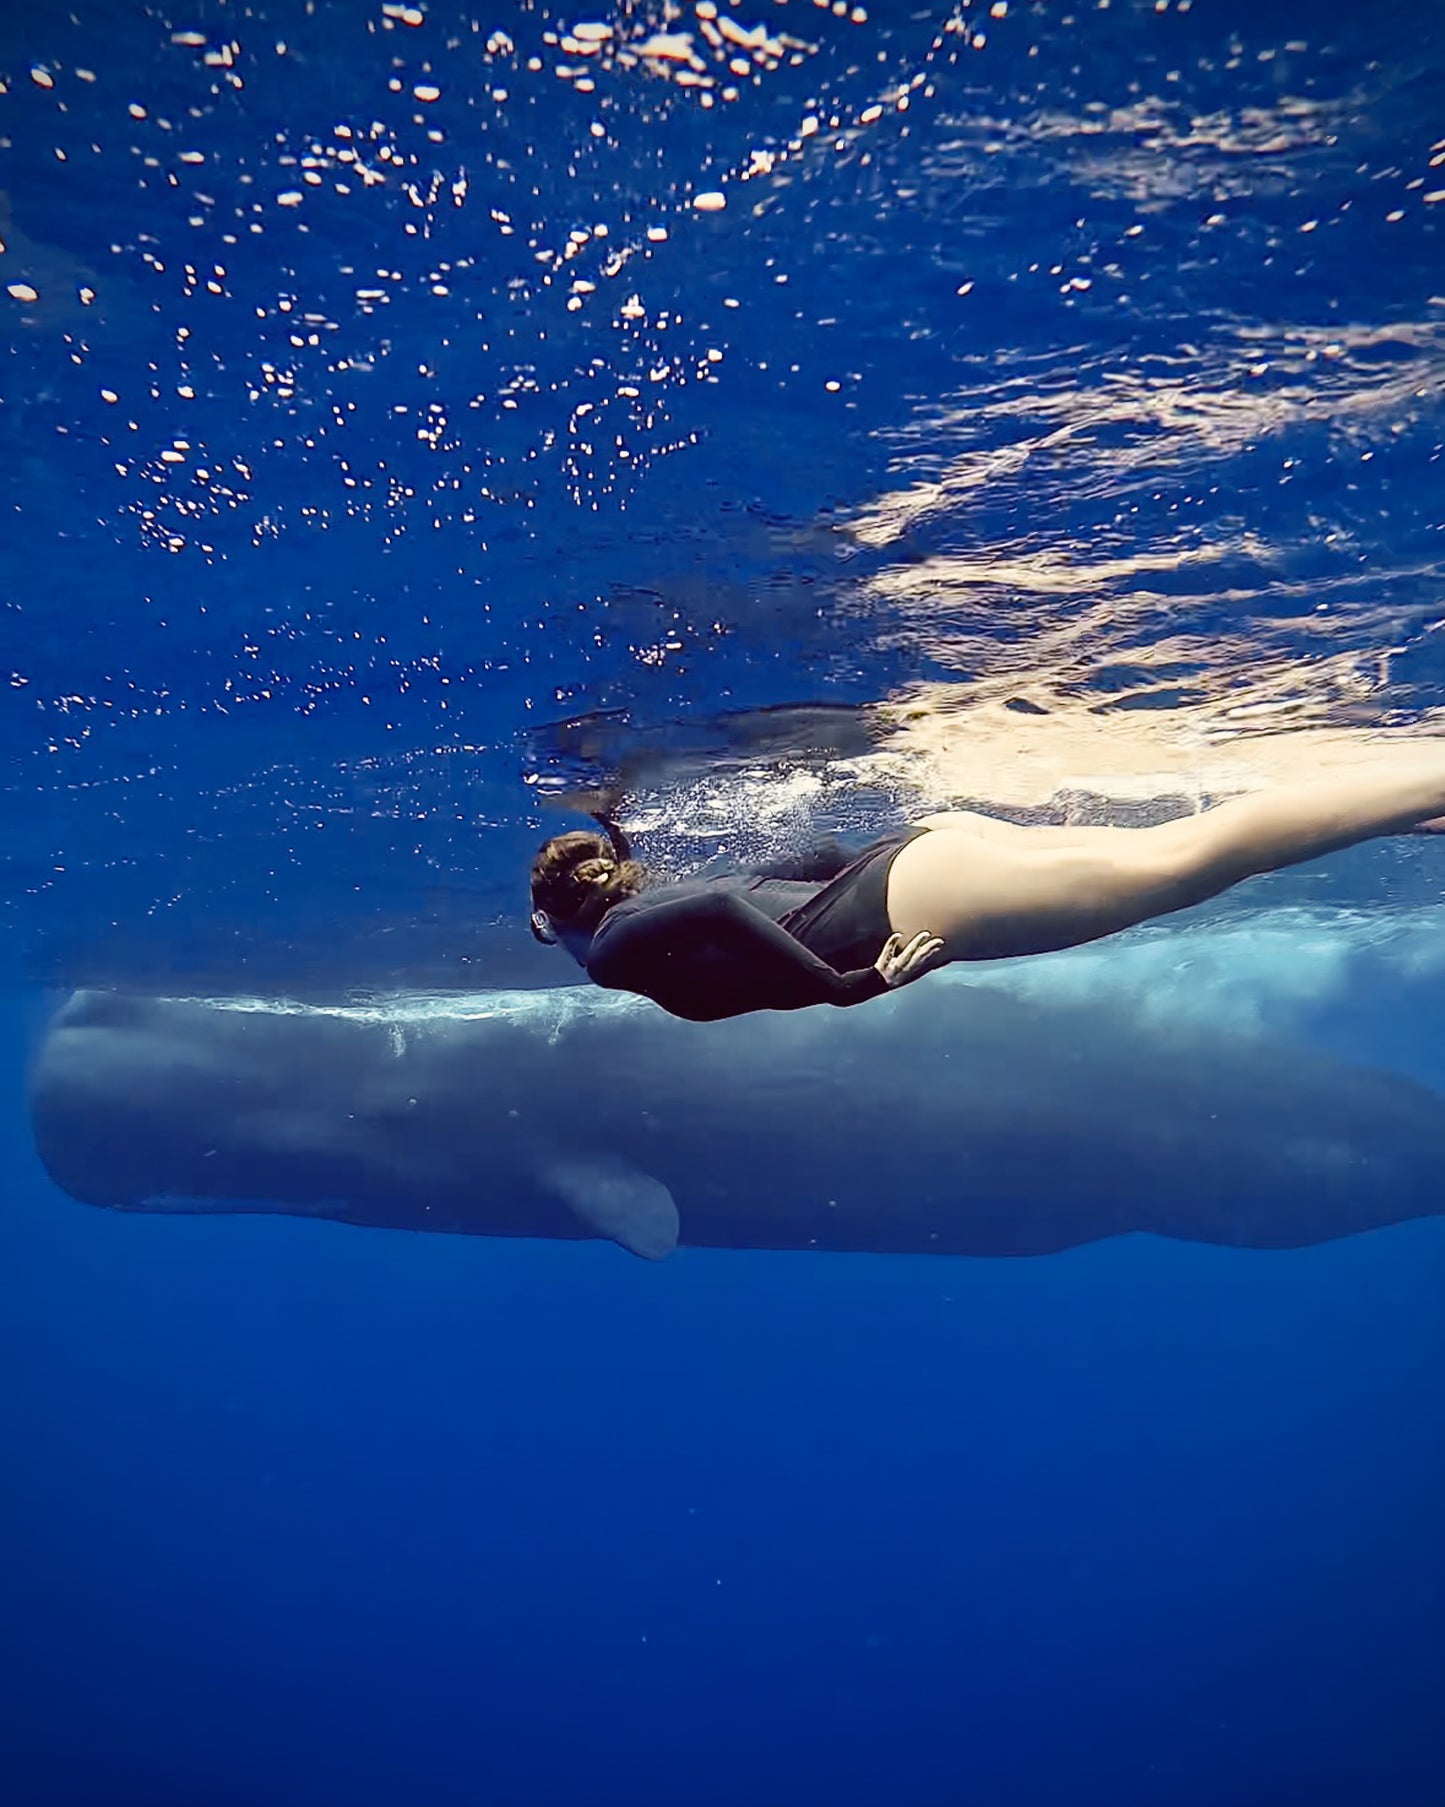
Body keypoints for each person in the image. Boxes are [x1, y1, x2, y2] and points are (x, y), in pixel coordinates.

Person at [528, 751, 1445, 1023]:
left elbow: (722, 908)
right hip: (923, 863)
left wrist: (847, 987)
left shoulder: (612, 953)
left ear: (549, 922)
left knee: (1188, 858)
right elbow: (806, 860)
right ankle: (1388, 802)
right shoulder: (645, 912)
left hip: (928, 901)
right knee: (1189, 858)